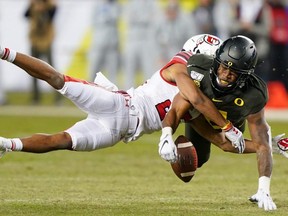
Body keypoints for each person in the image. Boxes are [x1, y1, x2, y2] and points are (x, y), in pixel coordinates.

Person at [0, 34, 244, 160]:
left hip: (117, 132)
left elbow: (219, 140)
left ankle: (6, 145)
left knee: (62, 140)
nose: (217, 68)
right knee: (58, 80)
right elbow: (197, 99)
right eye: (214, 62)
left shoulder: (196, 101)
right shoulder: (181, 68)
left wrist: (268, 147)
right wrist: (228, 125)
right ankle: (5, 52)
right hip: (120, 105)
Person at [158, 35, 282, 211]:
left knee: (248, 144)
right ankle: (274, 146)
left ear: (245, 76)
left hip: (233, 123)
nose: (225, 74)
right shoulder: (197, 68)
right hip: (200, 118)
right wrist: (166, 134)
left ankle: (273, 147)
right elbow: (179, 108)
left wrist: (264, 189)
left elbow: (258, 142)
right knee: (197, 159)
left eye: (234, 72)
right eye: (223, 67)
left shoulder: (254, 93)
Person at [24, 0, 60, 105]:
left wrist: (45, 9)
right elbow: (25, 15)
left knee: (52, 71)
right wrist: (32, 6)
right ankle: (36, 97)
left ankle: (57, 97)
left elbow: (52, 17)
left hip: (46, 41)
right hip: (35, 41)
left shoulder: (50, 6)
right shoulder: (33, 5)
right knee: (32, 69)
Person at [89, 0, 121, 85]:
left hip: (112, 42)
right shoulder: (97, 4)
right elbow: (93, 21)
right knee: (94, 68)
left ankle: (113, 93)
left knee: (112, 70)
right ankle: (90, 88)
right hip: (99, 41)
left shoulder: (116, 5)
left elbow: (116, 17)